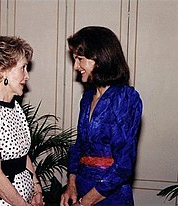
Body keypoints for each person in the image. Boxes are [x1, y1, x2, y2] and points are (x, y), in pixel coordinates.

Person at [60, 26, 143, 206]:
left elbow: (124, 165)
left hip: (110, 196)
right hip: (81, 188)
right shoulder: (87, 98)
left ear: (100, 58)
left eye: (80, 59)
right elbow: (79, 146)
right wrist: (71, 184)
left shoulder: (126, 98)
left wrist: (85, 202)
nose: (75, 67)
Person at [0, 36, 44, 206]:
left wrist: (37, 189)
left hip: (23, 198)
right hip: (2, 201)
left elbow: (23, 153)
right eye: (23, 68)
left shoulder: (15, 107)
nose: (26, 76)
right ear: (3, 70)